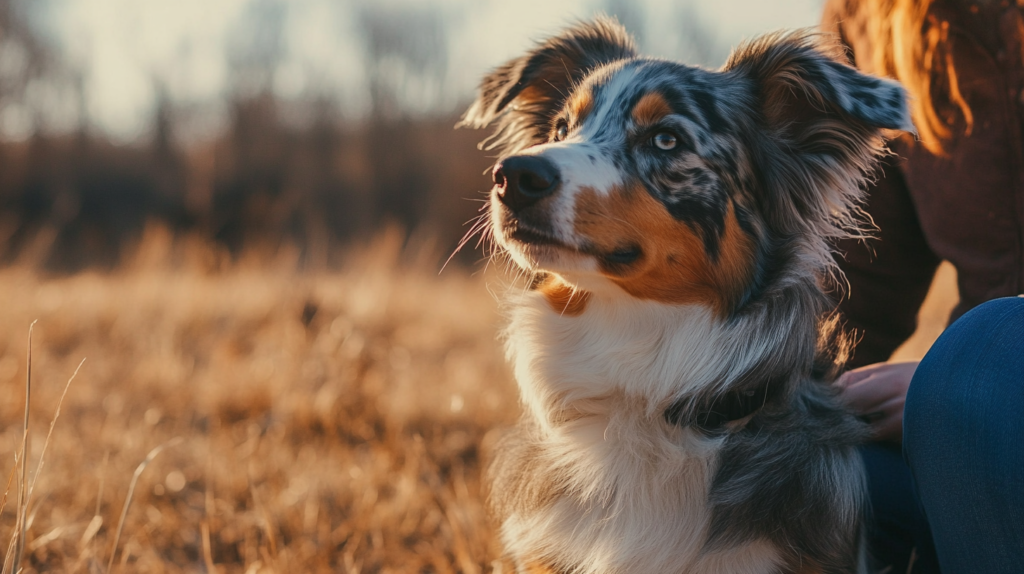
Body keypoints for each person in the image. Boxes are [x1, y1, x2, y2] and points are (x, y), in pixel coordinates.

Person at [821, 0, 1024, 572]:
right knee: (800, 472)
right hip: (966, 441)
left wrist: (958, 388)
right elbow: (846, 293)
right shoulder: (873, 18)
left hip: (981, 393)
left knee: (985, 363)